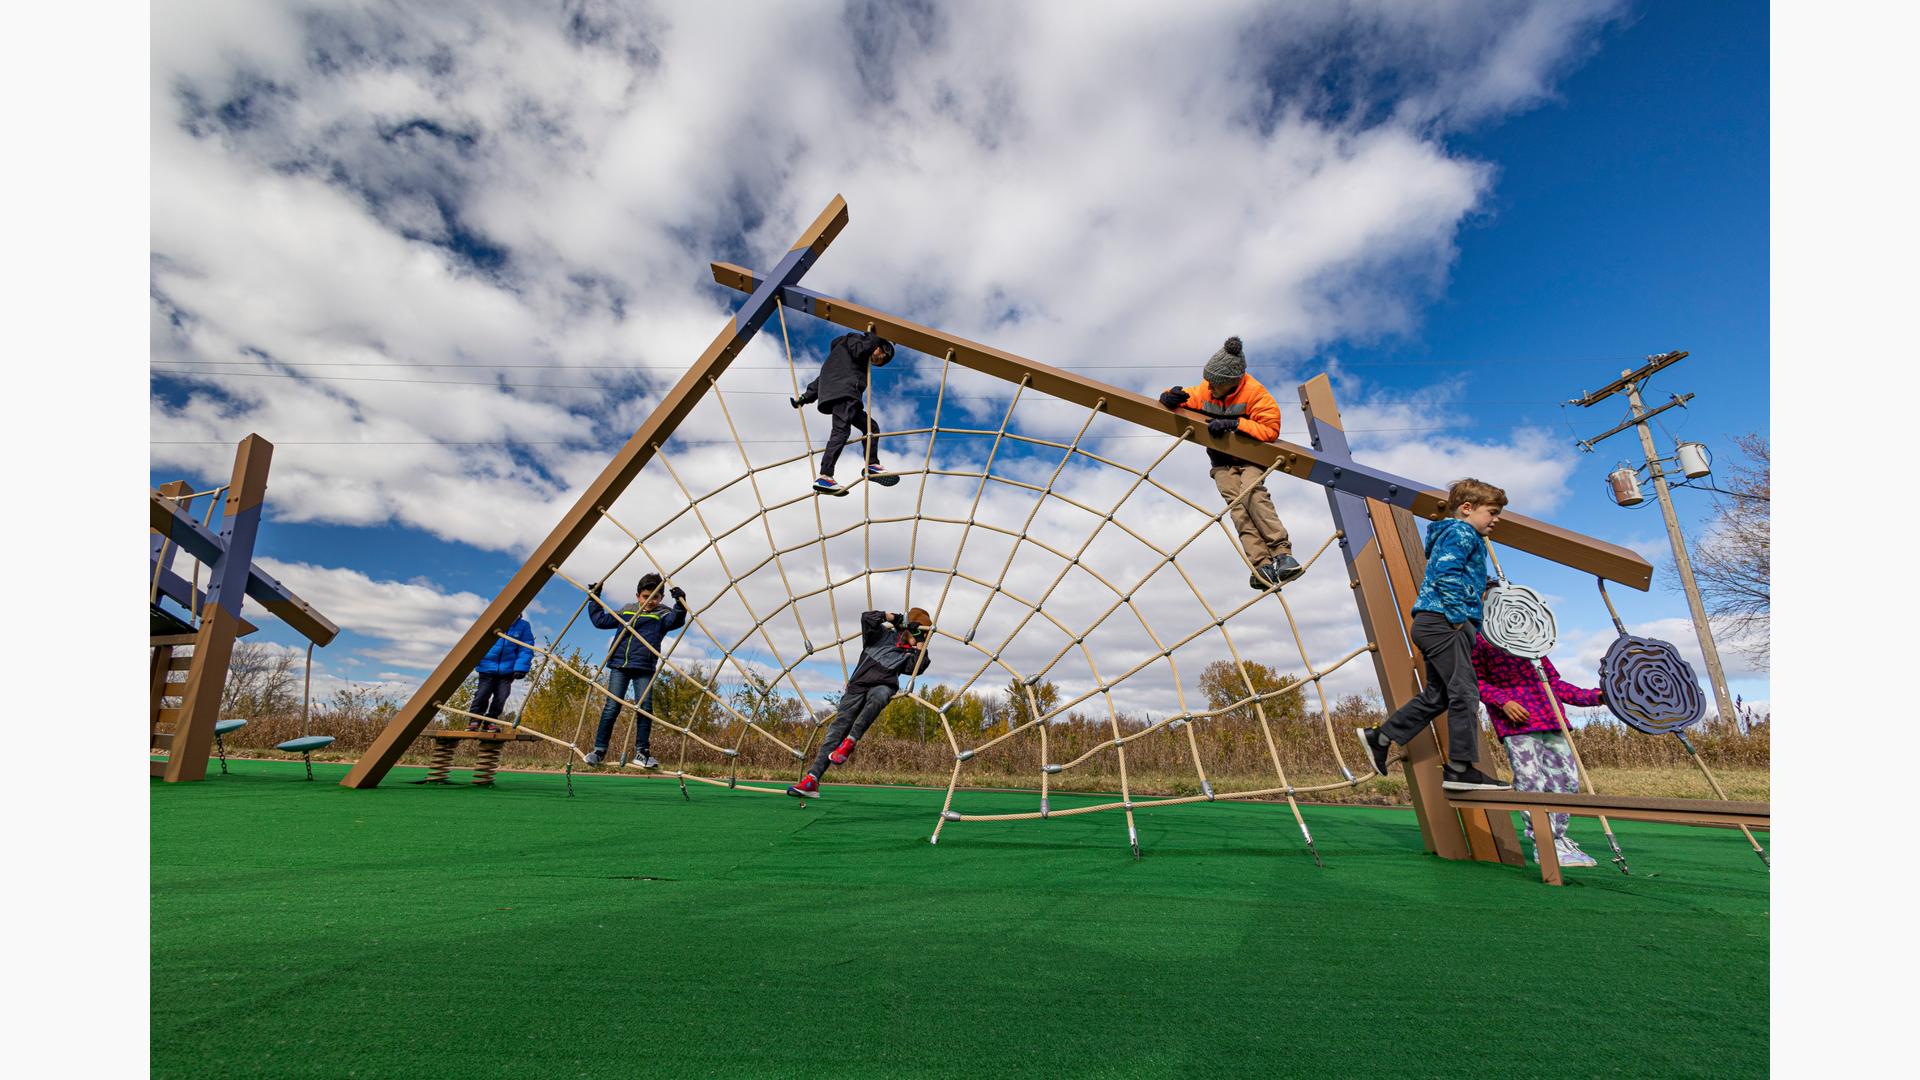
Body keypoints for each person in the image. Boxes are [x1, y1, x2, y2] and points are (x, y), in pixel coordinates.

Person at [1356, 478, 1512, 792]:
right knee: (1465, 692)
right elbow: (1446, 574)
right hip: (1445, 621)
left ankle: (1382, 736)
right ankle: (1459, 769)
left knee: (1439, 695)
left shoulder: (1461, 533)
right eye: (1492, 512)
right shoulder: (1461, 531)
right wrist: (1457, 617)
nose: (1496, 519)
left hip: (1437, 622)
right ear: (1467, 509)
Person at [1158, 336, 1302, 591]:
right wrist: (1170, 397)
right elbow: (1184, 396)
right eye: (1209, 381)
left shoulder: (1255, 393)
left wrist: (1235, 424)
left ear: (1231, 382)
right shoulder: (1207, 389)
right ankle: (1262, 565)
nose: (1210, 388)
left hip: (1250, 459)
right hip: (1221, 462)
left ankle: (1282, 554)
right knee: (1237, 508)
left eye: (1215, 383)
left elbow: (1271, 428)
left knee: (1253, 495)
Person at [1473, 634, 1606, 867]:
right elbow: (1475, 680)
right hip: (1518, 726)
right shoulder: (1481, 639)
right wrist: (1503, 701)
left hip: (1551, 720)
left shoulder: (1532, 639)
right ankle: (1543, 842)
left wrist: (1595, 697)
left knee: (1567, 782)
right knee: (1530, 783)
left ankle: (1559, 838)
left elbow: (1554, 684)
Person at [787, 608, 933, 799]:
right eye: (920, 632)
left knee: (880, 695)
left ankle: (851, 741)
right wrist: (897, 619)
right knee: (837, 729)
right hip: (858, 686)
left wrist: (920, 642)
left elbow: (918, 666)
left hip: (883, 686)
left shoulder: (910, 654)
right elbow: (867, 617)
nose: (921, 637)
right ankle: (812, 779)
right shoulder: (881, 635)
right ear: (907, 628)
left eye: (924, 635)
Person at [583, 573, 689, 768]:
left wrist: (680, 603)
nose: (649, 601)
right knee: (611, 708)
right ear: (638, 595)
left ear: (661, 598)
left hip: (644, 667)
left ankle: (642, 753)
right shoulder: (627, 611)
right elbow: (600, 621)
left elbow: (676, 620)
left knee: (645, 709)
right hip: (620, 665)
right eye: (645, 596)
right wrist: (594, 598)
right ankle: (599, 751)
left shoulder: (662, 615)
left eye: (655, 597)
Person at [790, 330, 901, 495]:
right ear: (878, 345)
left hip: (842, 397)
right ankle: (825, 476)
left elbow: (821, 380)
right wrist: (874, 335)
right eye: (880, 355)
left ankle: (871, 465)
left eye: (880, 361)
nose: (878, 359)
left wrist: (805, 397)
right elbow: (863, 348)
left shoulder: (838, 358)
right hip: (845, 394)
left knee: (871, 427)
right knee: (841, 431)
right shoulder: (855, 343)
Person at [469, 613, 534, 732]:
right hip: (487, 666)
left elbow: (526, 648)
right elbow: (477, 639)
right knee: (482, 693)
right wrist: (475, 658)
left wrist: (521, 667)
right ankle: (475, 719)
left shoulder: (523, 625)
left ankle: (491, 720)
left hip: (507, 669)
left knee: (502, 695)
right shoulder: (493, 621)